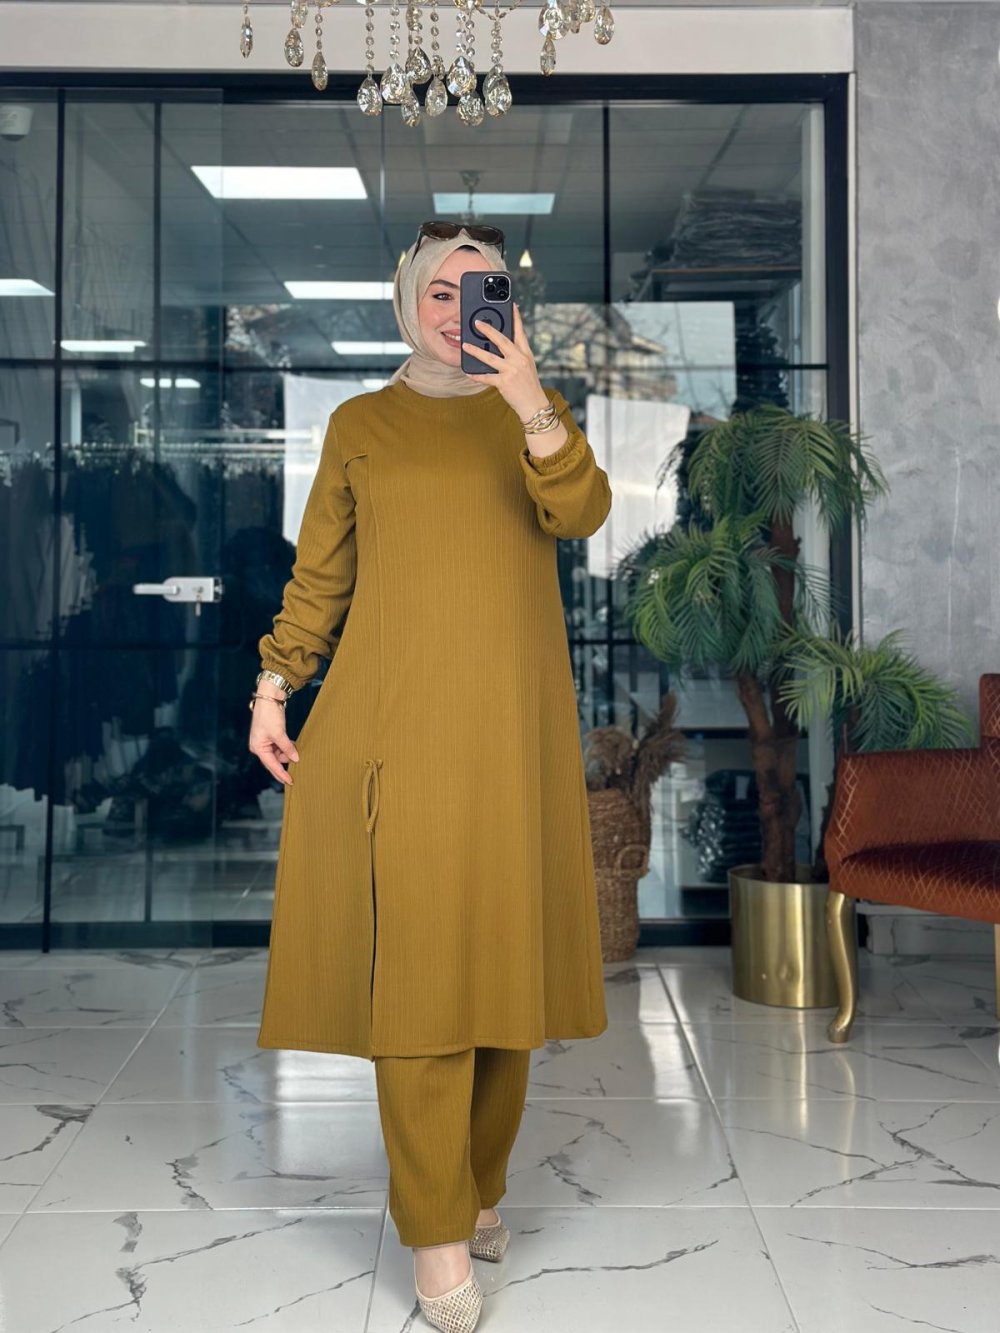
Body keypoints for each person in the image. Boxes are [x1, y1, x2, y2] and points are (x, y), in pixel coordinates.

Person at [249, 220, 612, 1332]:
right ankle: (435, 1232)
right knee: (416, 989)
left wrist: (529, 400)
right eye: (440, 292)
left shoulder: (535, 416)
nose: (459, 312)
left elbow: (582, 512)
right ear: (407, 300)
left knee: (504, 990)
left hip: (511, 740)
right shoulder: (361, 425)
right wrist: (273, 685)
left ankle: (477, 1185)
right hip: (391, 733)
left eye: (482, 290)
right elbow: (320, 577)